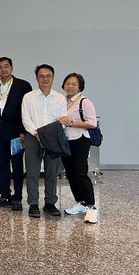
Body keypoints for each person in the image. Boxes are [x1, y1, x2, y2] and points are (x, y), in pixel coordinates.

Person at [21, 64, 68, 218]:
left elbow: (62, 119)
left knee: (52, 172)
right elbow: (25, 118)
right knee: (32, 172)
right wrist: (37, 134)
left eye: (48, 76)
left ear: (53, 78)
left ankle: (50, 203)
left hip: (53, 139)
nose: (45, 79)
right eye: (41, 76)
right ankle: (33, 204)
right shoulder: (29, 97)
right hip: (33, 137)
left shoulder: (60, 98)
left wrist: (47, 134)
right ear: (37, 78)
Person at [0, 57, 33, 211]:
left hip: (16, 134)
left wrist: (23, 130)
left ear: (12, 68)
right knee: (2, 165)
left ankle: (17, 197)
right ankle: (5, 195)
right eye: (0, 67)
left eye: (6, 66)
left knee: (17, 165)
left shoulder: (23, 85)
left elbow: (26, 110)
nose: (3, 69)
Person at [59, 73, 99, 223]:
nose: (70, 86)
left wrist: (71, 122)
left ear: (80, 87)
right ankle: (80, 202)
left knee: (80, 172)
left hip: (80, 140)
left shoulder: (85, 102)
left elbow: (92, 123)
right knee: (70, 173)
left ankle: (91, 206)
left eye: (74, 84)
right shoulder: (61, 101)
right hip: (65, 141)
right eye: (67, 83)